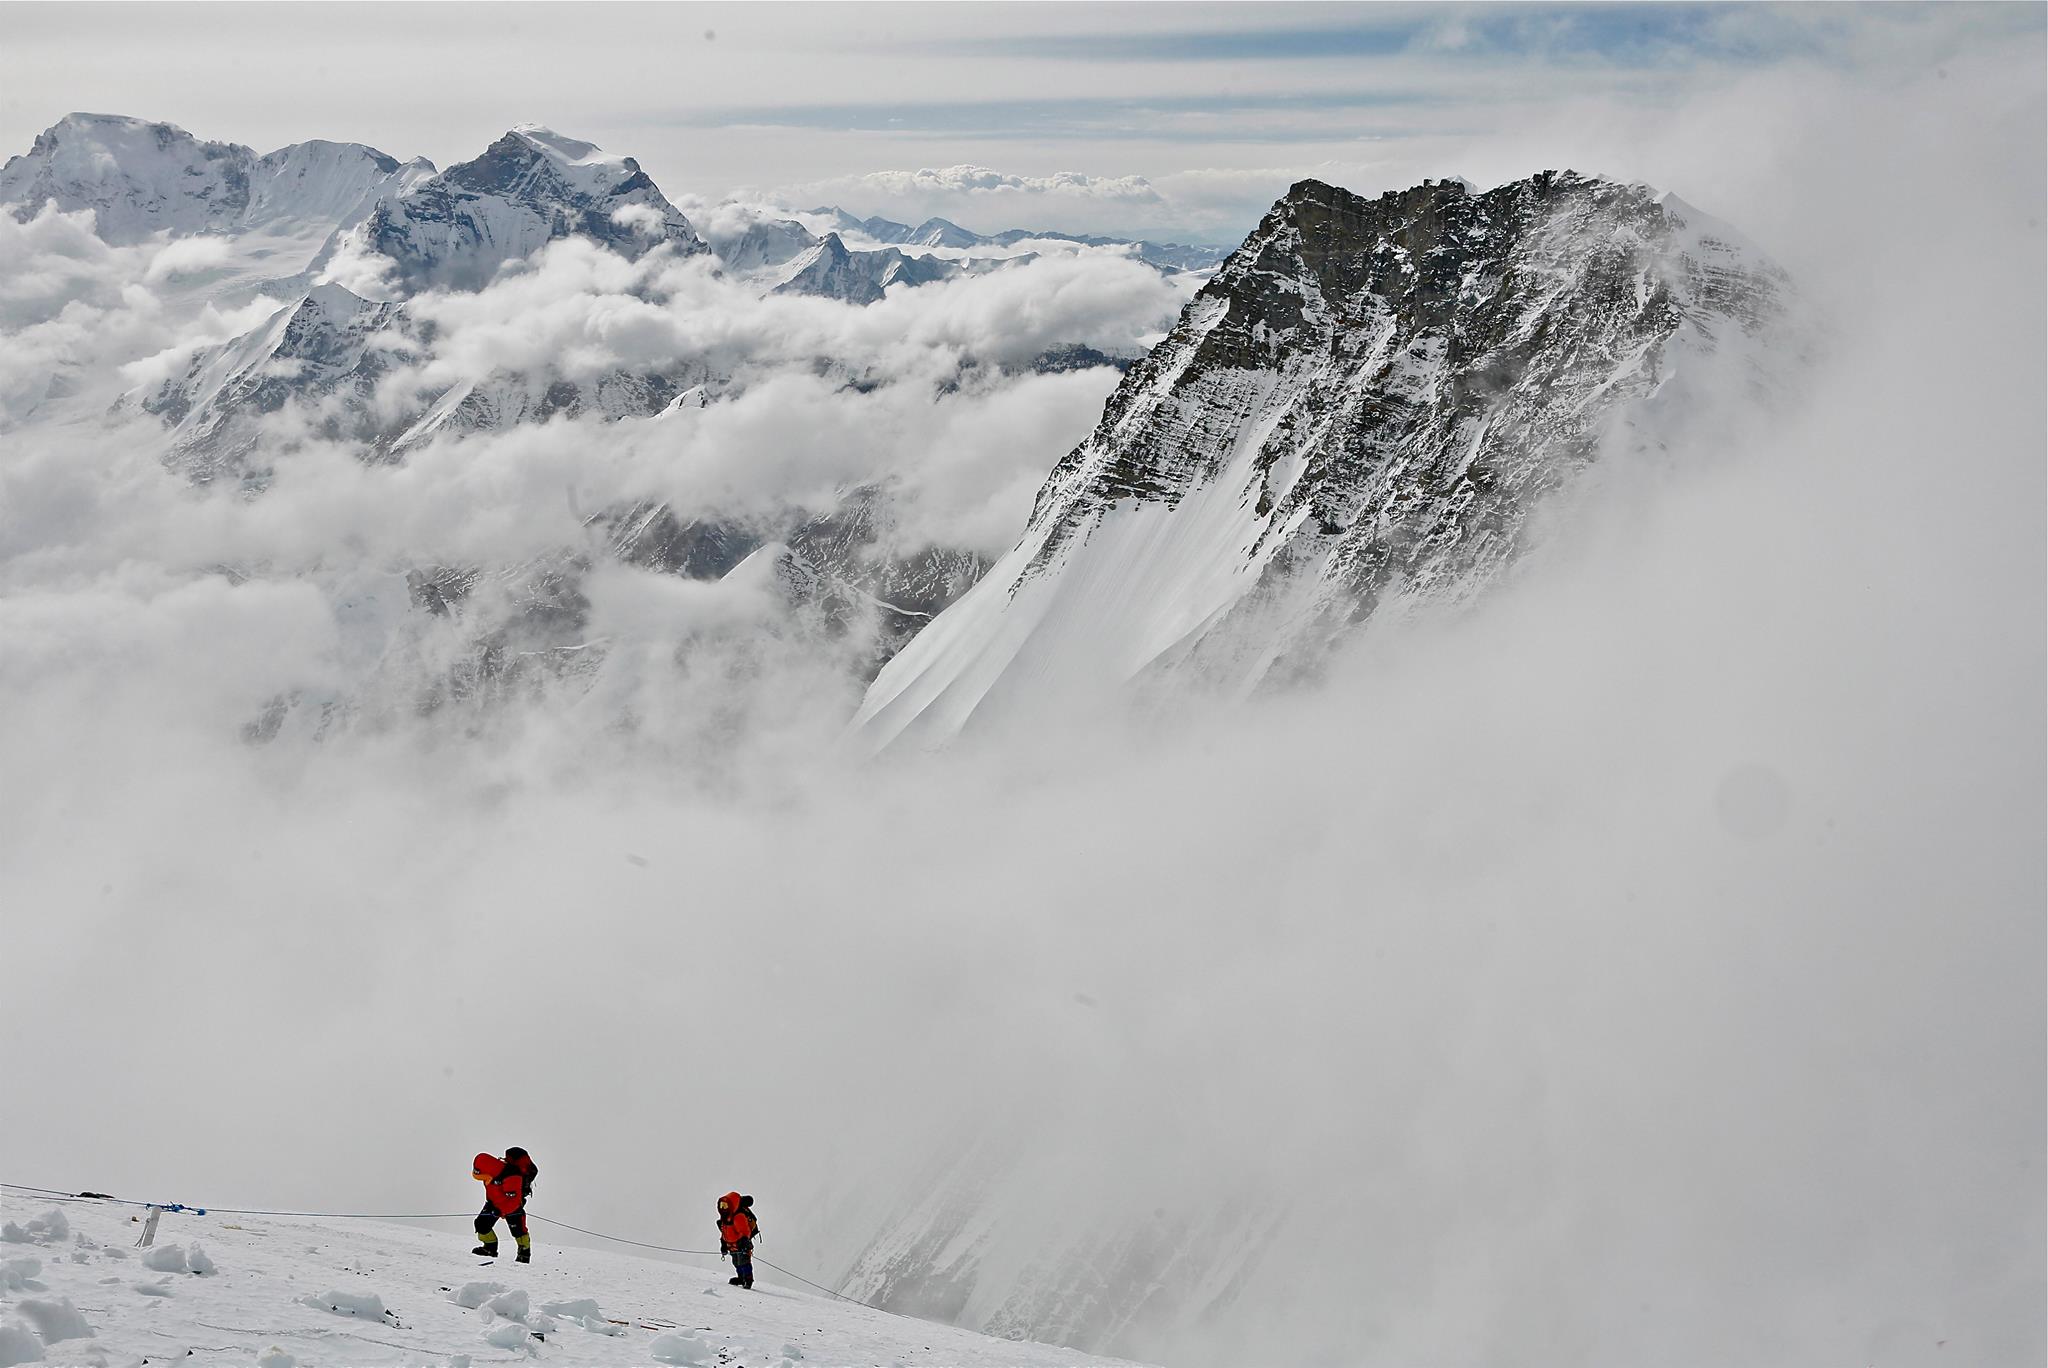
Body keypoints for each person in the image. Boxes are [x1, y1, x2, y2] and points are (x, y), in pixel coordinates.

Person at [471, 1150, 534, 1263]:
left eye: (482, 1177)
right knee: (481, 1225)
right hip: (493, 1204)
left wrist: (500, 1211)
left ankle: (524, 1253)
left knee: (518, 1231)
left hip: (512, 1207)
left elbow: (513, 1201)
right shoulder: (490, 1174)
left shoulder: (512, 1175)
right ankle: (490, 1248)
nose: (483, 1180)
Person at [716, 1191, 757, 1288]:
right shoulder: (725, 1218)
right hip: (732, 1246)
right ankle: (741, 1278)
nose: (723, 1208)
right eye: (721, 1205)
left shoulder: (738, 1216)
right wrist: (723, 1244)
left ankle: (748, 1279)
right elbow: (724, 1232)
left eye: (725, 1205)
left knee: (744, 1262)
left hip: (741, 1245)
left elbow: (745, 1231)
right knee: (736, 1263)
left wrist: (745, 1241)